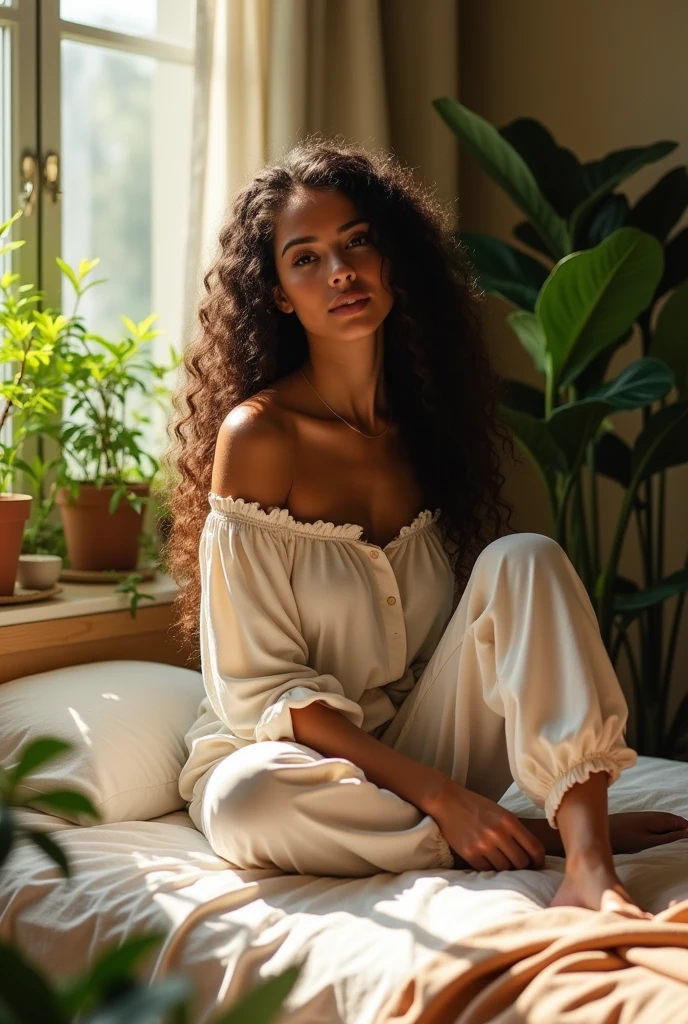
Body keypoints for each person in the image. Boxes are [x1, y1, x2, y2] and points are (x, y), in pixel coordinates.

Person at [164, 136, 688, 920]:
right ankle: (520, 834)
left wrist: (438, 779)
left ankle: (588, 861)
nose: (339, 270)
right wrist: (446, 798)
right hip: (292, 756)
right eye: (304, 258)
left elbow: (460, 646)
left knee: (526, 557)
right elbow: (261, 690)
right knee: (248, 800)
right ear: (276, 292)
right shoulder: (260, 436)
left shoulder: (425, 430)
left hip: (418, 739)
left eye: (357, 242)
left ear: (390, 258)